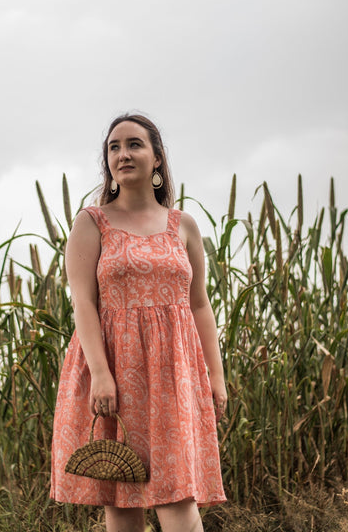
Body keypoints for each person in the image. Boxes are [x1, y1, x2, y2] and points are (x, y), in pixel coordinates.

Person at [50, 113, 227, 532]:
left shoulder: (183, 225)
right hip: (114, 368)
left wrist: (215, 375)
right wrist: (100, 374)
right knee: (122, 499)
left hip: (174, 375)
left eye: (134, 144)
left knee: (177, 497)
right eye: (114, 147)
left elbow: (199, 304)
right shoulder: (92, 222)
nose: (122, 154)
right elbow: (83, 303)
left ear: (157, 159)